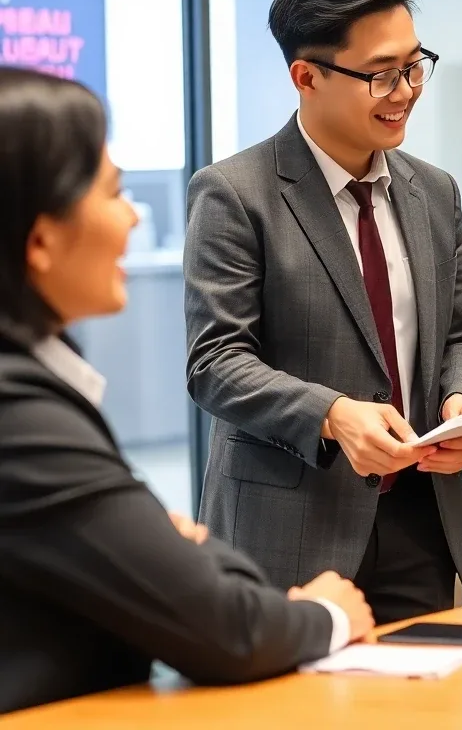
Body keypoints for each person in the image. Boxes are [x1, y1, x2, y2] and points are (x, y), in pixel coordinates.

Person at [0, 69, 374, 715]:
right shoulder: (20, 415)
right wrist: (326, 614)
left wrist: (174, 555)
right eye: (112, 192)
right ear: (41, 239)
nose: (132, 216)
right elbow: (223, 628)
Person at [184, 0, 462, 624]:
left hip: (420, 519)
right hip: (290, 527)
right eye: (382, 74)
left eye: (415, 66)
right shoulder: (235, 193)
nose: (405, 91)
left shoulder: (434, 192)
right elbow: (215, 364)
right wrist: (333, 414)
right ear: (306, 77)